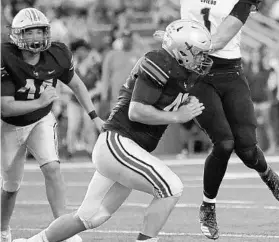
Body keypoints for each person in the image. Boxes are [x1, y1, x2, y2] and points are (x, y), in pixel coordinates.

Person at [79, 0, 279, 240]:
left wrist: (183, 38)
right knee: (224, 142)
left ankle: (265, 172)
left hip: (230, 72)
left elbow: (222, 36)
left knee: (248, 150)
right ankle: (208, 206)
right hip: (197, 73)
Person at [14, 19, 212, 242]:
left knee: (90, 217)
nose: (202, 58)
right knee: (171, 187)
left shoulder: (182, 71)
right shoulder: (159, 61)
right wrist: (178, 115)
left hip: (125, 149)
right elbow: (136, 112)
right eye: (198, 52)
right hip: (119, 143)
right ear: (182, 50)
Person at [1, 8, 104, 242]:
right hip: (9, 125)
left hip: (41, 120)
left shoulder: (57, 55)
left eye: (39, 31)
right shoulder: (6, 57)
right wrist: (40, 100)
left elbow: (77, 85)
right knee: (10, 186)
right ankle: (3, 229)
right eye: (29, 32)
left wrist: (94, 115)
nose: (36, 37)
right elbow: (5, 107)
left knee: (52, 168)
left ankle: (62, 229)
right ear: (18, 35)